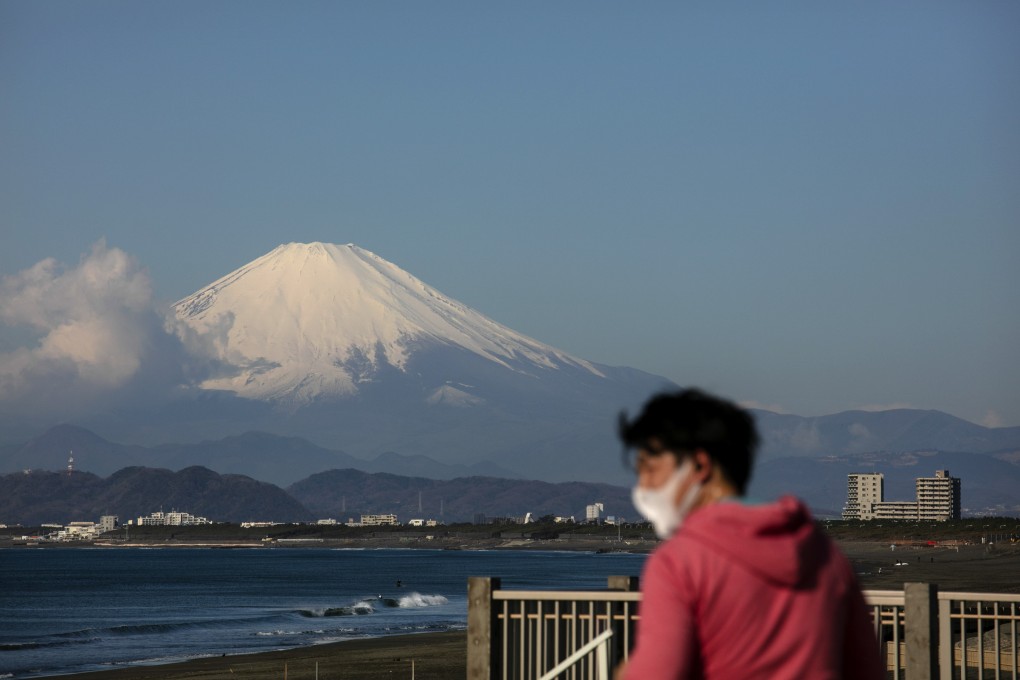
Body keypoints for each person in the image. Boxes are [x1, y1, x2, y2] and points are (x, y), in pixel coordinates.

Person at [616, 389, 883, 679]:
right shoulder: (827, 556)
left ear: (699, 465)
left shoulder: (679, 563)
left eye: (651, 468)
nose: (643, 485)